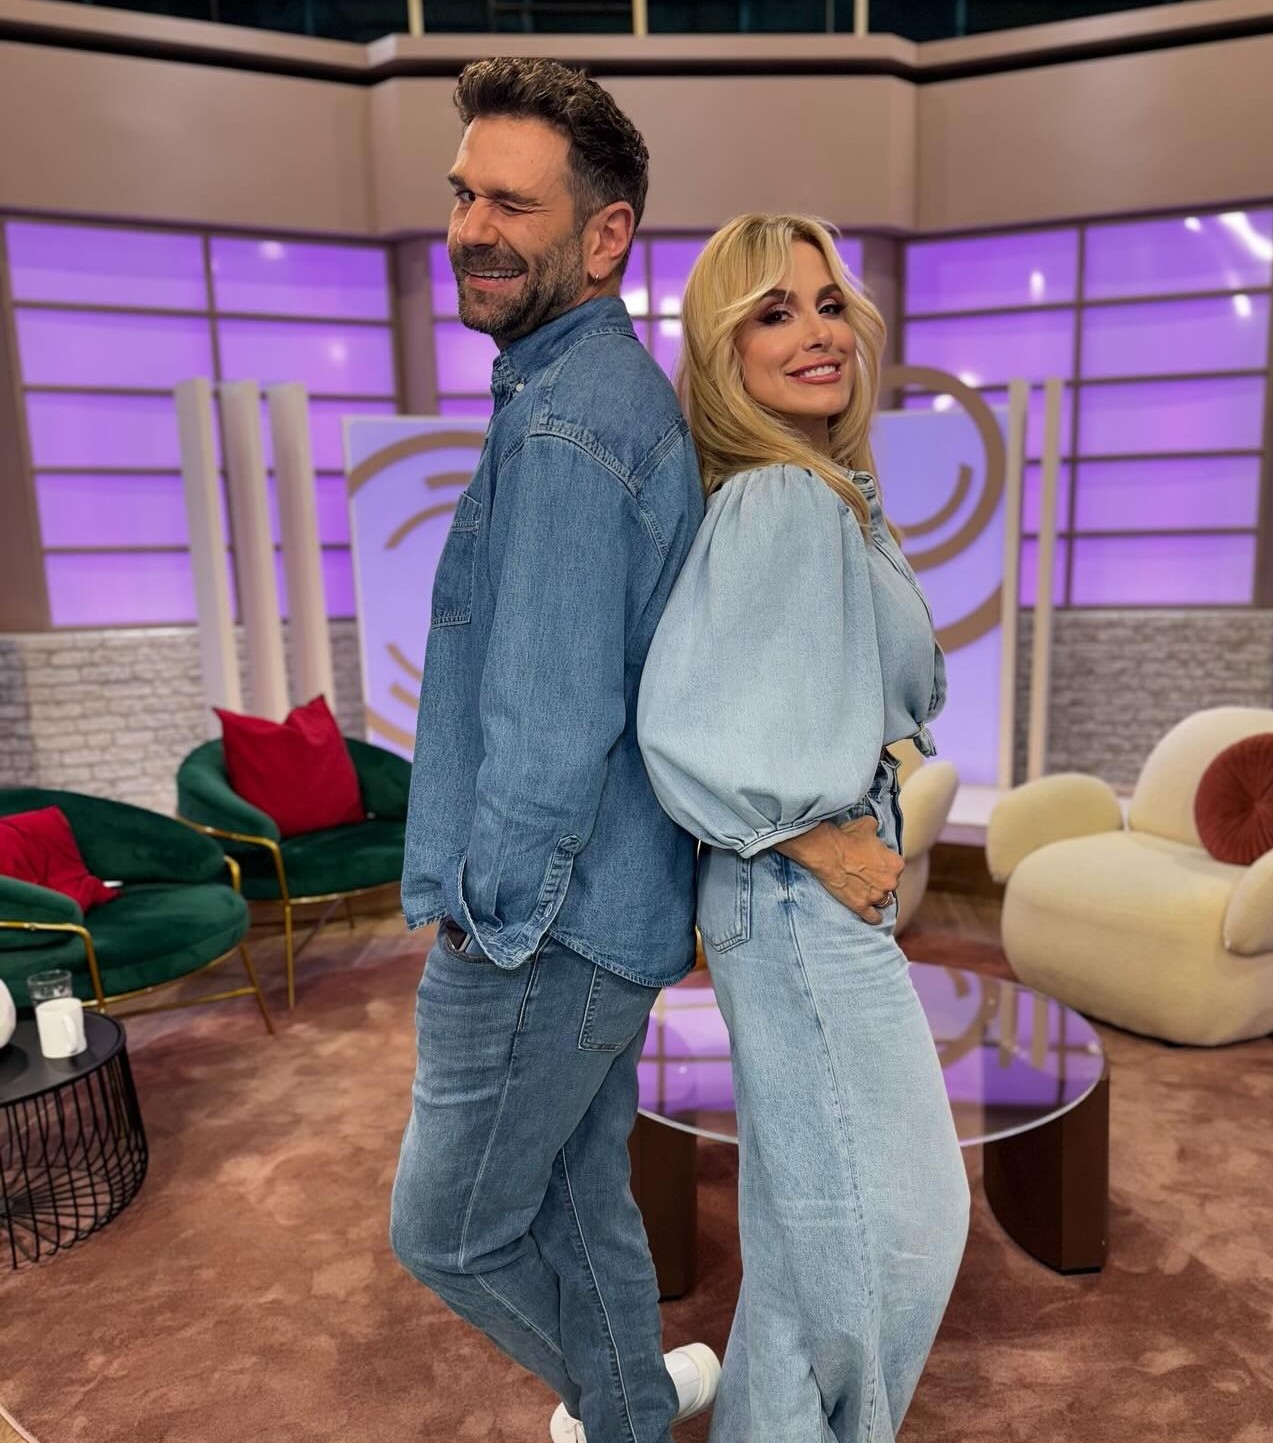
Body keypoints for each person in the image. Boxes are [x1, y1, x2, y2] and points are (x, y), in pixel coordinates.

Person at [389, 57, 719, 1443]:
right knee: (584, 1202)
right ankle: (639, 1404)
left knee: (445, 1232)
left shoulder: (574, 424)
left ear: (605, 234)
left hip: (544, 931)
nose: (472, 227)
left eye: (512, 203)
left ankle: (625, 1413)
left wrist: (484, 923)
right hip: (605, 917)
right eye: (464, 193)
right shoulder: (572, 393)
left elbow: (549, 720)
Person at [637, 214, 970, 1443]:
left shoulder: (817, 489)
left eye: (829, 304)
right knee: (902, 1229)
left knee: (805, 1238)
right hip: (794, 897)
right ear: (724, 349)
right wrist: (812, 838)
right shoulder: (782, 497)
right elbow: (679, 724)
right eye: (773, 313)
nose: (817, 333)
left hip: (797, 896)